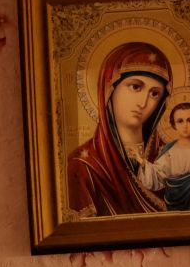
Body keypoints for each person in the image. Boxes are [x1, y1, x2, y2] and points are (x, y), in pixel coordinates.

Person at [67, 41, 172, 217]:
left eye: (154, 93)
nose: (143, 103)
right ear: (109, 89)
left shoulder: (170, 157)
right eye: (135, 87)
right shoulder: (84, 166)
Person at [136, 102, 190, 210]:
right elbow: (157, 175)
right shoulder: (169, 151)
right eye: (180, 121)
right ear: (174, 124)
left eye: (189, 120)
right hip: (174, 202)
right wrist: (142, 161)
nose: (185, 125)